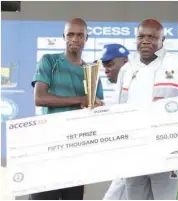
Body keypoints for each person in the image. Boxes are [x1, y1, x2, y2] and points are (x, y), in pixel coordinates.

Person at [113, 19, 178, 200]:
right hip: (134, 152)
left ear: (162, 40)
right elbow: (115, 108)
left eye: (152, 37)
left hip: (167, 152)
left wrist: (172, 111)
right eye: (141, 36)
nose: (145, 41)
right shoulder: (127, 69)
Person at [30, 18, 104, 200]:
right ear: (63, 36)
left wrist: (98, 106)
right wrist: (81, 99)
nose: (75, 39)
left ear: (87, 38)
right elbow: (40, 98)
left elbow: (97, 111)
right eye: (70, 34)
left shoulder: (91, 72)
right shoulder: (49, 61)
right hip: (48, 148)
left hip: (76, 151)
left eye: (80, 35)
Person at [95, 44, 129, 200]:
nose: (106, 70)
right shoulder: (121, 87)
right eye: (104, 66)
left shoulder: (137, 82)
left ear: (125, 61)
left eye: (110, 64)